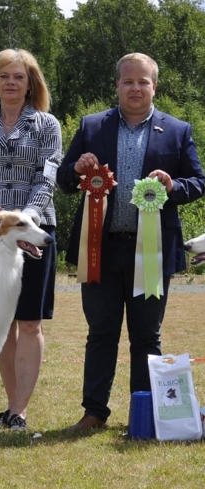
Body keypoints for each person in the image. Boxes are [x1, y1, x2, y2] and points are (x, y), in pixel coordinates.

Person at [57, 53, 205, 431]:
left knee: (146, 336)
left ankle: (144, 413)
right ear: (117, 85)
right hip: (99, 250)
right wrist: (75, 170)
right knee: (101, 334)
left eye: (143, 82)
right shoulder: (92, 127)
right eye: (128, 81)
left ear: (155, 86)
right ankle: (94, 413)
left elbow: (199, 183)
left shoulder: (178, 130)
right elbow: (63, 178)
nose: (135, 88)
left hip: (152, 252)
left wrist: (174, 186)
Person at [0, 48, 62, 431]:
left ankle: (19, 410)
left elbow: (47, 177)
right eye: (4, 76)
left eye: (18, 76)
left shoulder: (47, 125)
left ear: (31, 83)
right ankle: (8, 405)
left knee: (30, 322)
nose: (11, 83)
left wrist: (24, 218)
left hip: (35, 228)